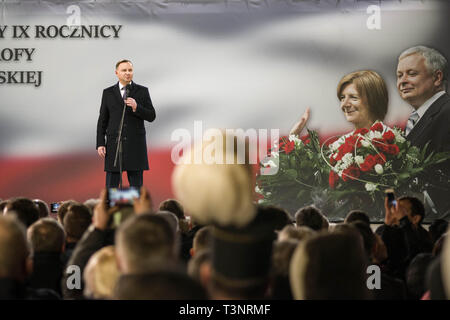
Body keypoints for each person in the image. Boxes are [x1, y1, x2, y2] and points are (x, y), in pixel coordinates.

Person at [396, 46, 450, 217]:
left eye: (411, 73)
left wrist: (426, 201)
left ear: (437, 77)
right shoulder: (418, 117)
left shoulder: (447, 111)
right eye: (399, 75)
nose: (402, 81)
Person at [96, 59, 156, 188]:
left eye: (130, 70)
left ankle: (134, 208)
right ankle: (112, 207)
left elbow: (152, 116)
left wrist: (136, 107)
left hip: (135, 146)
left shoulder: (142, 91)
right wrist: (100, 143)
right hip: (114, 145)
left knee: (136, 189)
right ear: (116, 72)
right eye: (124, 70)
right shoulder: (108, 93)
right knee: (111, 189)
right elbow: (103, 120)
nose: (127, 73)